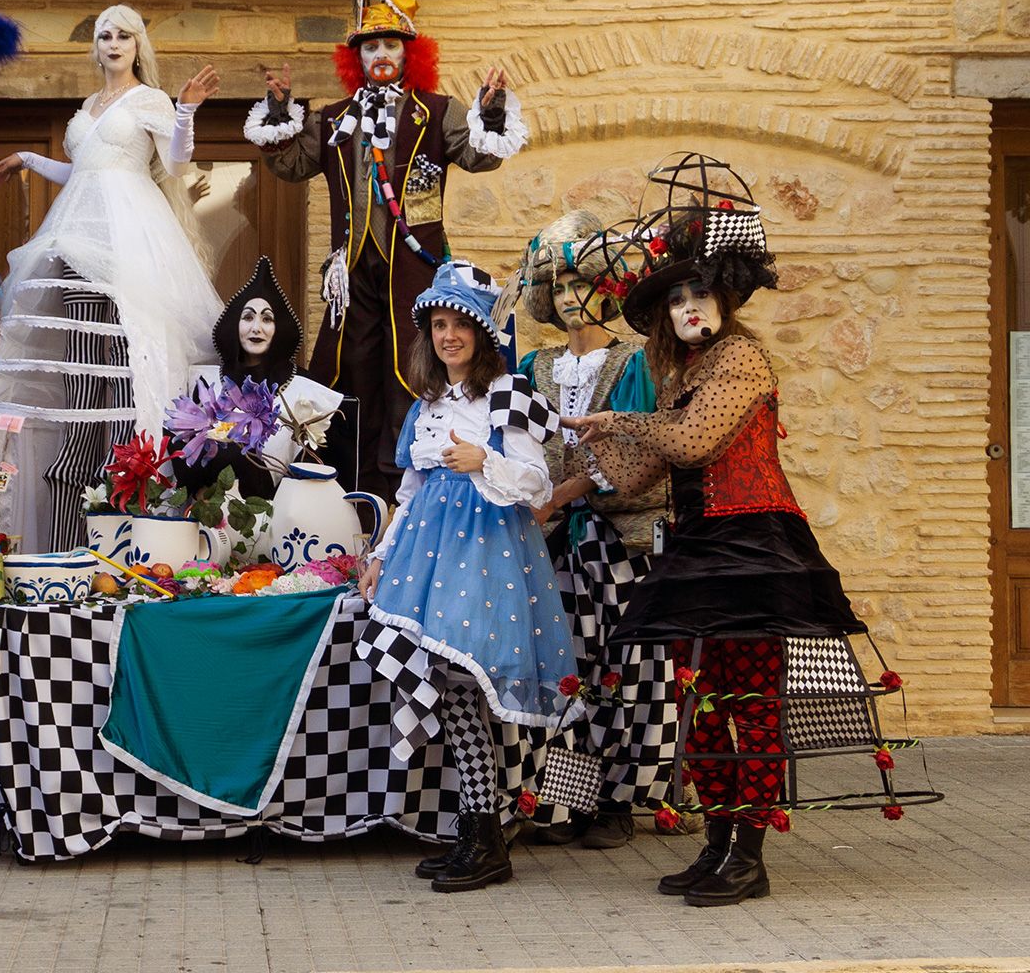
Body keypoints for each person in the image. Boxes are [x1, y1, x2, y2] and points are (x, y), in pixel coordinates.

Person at [567, 157, 880, 907]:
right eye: (675, 297)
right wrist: (582, 440)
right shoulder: (678, 375)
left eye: (698, 290)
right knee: (696, 701)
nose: (687, 305)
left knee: (750, 703)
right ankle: (717, 841)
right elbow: (642, 469)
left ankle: (751, 851)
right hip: (698, 547)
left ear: (723, 298)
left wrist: (622, 422)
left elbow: (692, 443)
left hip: (752, 547)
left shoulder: (740, 357)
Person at [246, 0, 525, 499]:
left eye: (390, 44)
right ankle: (355, 489)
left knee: (414, 367)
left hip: (415, 269)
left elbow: (479, 154)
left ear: (407, 54)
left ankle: (412, 485)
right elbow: (294, 164)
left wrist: (490, 110)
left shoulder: (436, 112)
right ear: (357, 57)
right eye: (371, 44)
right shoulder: (333, 118)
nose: (380, 52)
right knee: (353, 371)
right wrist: (279, 113)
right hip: (351, 271)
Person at [358, 260, 574, 893]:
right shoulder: (426, 406)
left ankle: (486, 837)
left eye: (460, 324)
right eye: (438, 325)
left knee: (465, 682)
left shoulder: (511, 394)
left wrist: (486, 462)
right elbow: (410, 486)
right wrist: (379, 554)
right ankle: (478, 831)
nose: (448, 336)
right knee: (449, 688)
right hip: (427, 555)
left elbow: (537, 485)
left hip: (487, 555)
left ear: (483, 332)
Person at [0, 6, 222, 551]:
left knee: (125, 356)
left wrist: (185, 111)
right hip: (74, 233)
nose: (113, 43)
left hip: (127, 234)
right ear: (96, 46)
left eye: (123, 36)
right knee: (80, 356)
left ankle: (130, 508)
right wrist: (27, 159)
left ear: (138, 46)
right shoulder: (90, 106)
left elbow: (176, 165)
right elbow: (84, 170)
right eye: (104, 35)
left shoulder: (151, 101)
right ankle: (69, 514)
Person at [514, 211, 675, 850]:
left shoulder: (634, 365)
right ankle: (565, 797)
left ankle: (624, 800)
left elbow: (641, 452)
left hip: (618, 539)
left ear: (608, 289)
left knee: (628, 664)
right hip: (548, 540)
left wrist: (572, 490)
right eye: (558, 287)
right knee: (564, 664)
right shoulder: (534, 365)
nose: (570, 297)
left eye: (581, 283)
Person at [183, 255, 345, 498]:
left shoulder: (309, 393)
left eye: (267, 318)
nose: (256, 328)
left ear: (279, 327)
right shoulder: (202, 383)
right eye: (248, 317)